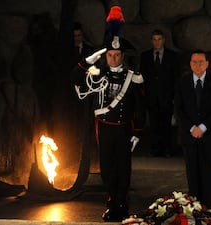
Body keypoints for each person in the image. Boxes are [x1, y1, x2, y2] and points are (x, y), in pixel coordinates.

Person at [70, 6, 145, 222]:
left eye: (116, 55)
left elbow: (140, 106)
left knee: (123, 168)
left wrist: (137, 132)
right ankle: (112, 203)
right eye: (110, 55)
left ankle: (123, 203)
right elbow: (74, 77)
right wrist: (90, 59)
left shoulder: (134, 77)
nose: (113, 59)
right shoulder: (97, 73)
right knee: (107, 169)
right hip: (103, 127)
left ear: (122, 55)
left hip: (123, 128)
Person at [174, 50, 211, 209]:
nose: (197, 65)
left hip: (209, 135)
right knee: (192, 174)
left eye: (201, 61)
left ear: (207, 63)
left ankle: (207, 209)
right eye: (194, 62)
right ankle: (194, 209)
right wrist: (192, 127)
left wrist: (202, 127)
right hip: (189, 136)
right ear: (190, 64)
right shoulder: (182, 82)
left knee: (208, 173)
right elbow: (178, 109)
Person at [139, 29, 179, 157]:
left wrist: (174, 96)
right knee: (154, 124)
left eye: (159, 39)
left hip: (167, 96)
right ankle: (155, 149)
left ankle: (167, 149)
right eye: (154, 39)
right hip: (151, 97)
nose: (157, 42)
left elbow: (175, 77)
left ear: (164, 40)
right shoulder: (145, 56)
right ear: (152, 41)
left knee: (166, 124)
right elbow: (143, 77)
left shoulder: (172, 56)